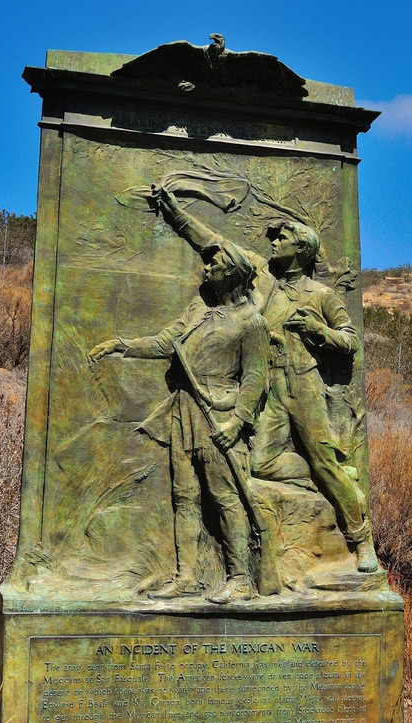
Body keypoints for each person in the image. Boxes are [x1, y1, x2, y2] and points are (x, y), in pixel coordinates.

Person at [87, 186, 271, 603]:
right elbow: (168, 341)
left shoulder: (251, 324)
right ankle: (187, 576)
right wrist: (122, 345)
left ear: (234, 272)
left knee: (224, 497)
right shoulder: (199, 310)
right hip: (185, 412)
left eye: (214, 264)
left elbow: (256, 379)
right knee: (183, 495)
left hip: (218, 416)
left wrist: (235, 422)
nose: (206, 269)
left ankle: (240, 578)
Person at [250, 220, 378, 573]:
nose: (275, 242)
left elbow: (350, 340)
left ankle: (361, 541)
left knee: (323, 462)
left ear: (301, 249)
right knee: (259, 463)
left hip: (303, 382)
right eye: (274, 238)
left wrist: (316, 330)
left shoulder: (320, 295)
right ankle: (337, 475)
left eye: (283, 238)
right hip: (271, 385)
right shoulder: (267, 289)